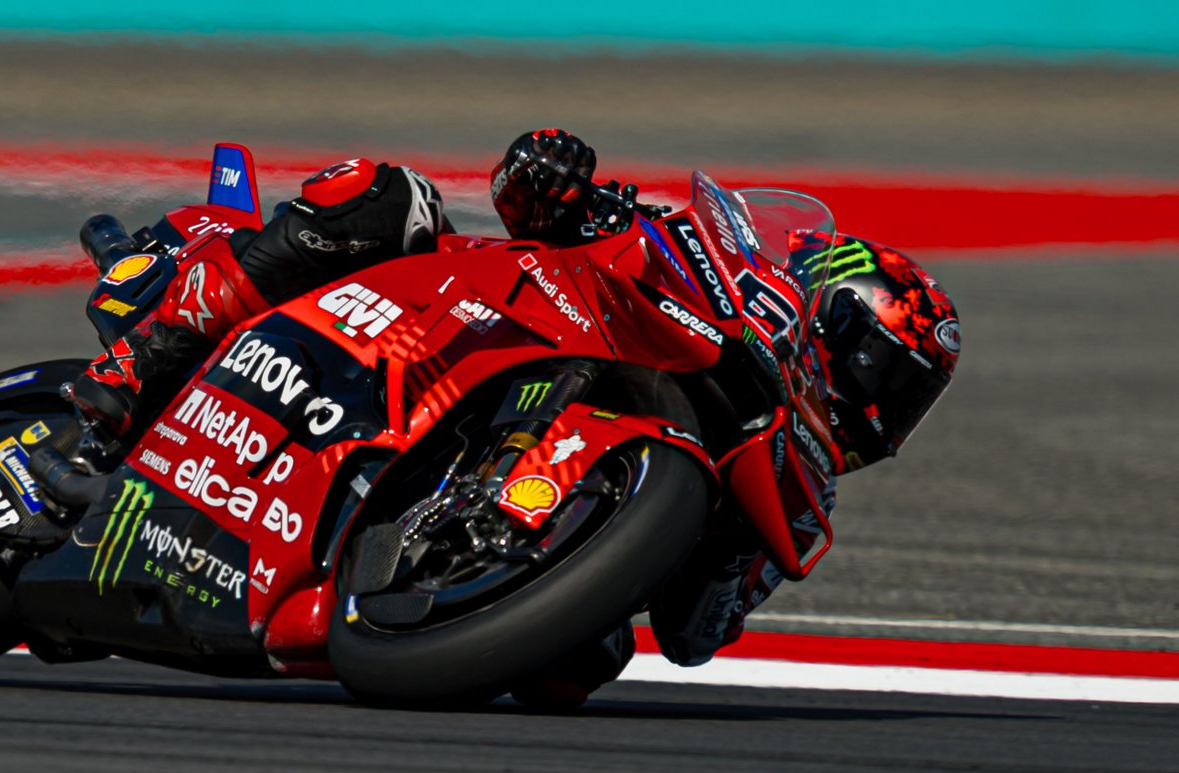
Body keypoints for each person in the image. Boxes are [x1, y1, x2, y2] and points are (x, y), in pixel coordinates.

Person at [68, 130, 962, 706]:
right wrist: (556, 179)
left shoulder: (791, 500)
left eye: (905, 400)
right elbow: (521, 192)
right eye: (884, 374)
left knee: (584, 662)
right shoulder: (676, 265)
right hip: (423, 323)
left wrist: (727, 546)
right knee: (386, 195)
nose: (882, 409)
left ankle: (410, 563)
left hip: (481, 553)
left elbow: (696, 636)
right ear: (828, 314)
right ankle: (135, 368)